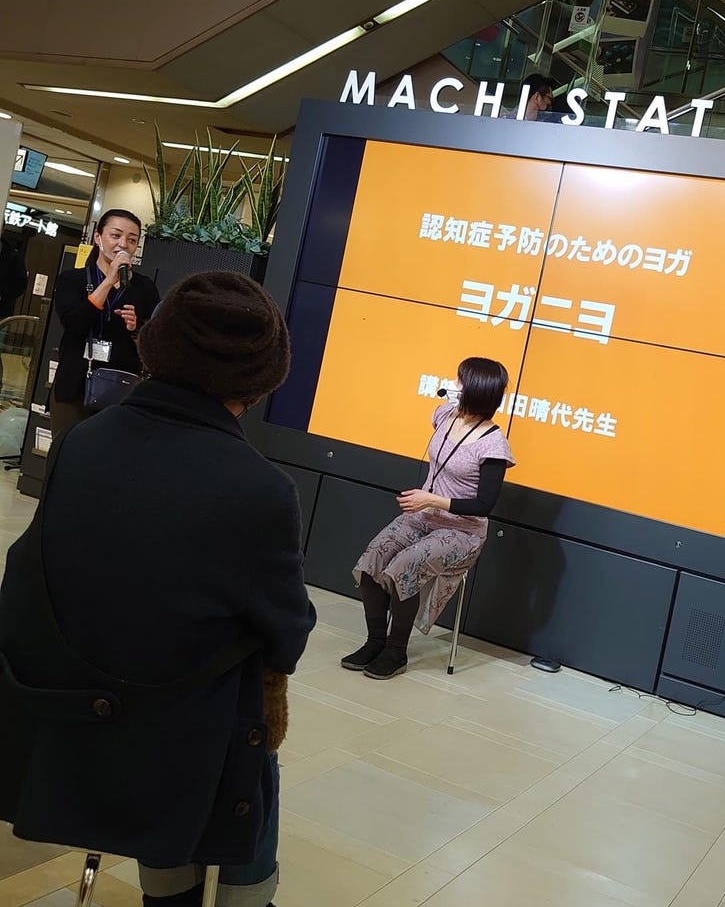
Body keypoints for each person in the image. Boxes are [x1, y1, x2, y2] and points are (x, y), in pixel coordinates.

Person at [0, 271, 317, 907]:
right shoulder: (261, 489)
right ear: (260, 381)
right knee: (253, 736)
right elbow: (287, 635)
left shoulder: (84, 441)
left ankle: (167, 889)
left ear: (158, 343)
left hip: (63, 712)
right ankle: (246, 895)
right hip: (178, 739)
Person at [343, 357, 515, 679]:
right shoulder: (444, 414)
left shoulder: (494, 445)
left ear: (475, 390)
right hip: (424, 515)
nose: (453, 384)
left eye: (460, 381)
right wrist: (428, 503)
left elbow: (484, 505)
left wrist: (433, 499)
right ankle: (375, 642)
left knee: (404, 566)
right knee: (372, 560)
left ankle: (396, 652)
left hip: (463, 531)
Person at [49, 208, 160, 436]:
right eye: (115, 235)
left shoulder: (145, 287)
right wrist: (109, 280)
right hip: (75, 384)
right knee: (66, 449)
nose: (123, 244)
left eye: (132, 240)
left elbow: (156, 344)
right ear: (98, 237)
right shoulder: (73, 279)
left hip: (121, 389)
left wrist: (136, 328)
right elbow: (74, 324)